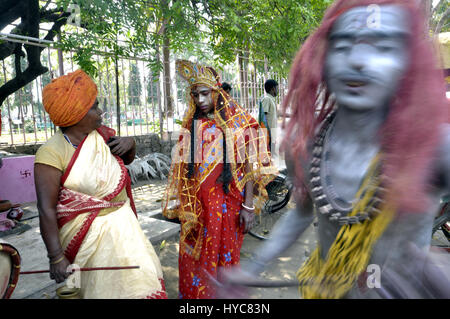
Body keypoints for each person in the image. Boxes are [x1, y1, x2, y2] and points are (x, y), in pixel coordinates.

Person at [220, 0, 450, 299]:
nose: (357, 60)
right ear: (323, 61)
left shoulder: (433, 145)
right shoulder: (305, 143)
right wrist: (254, 268)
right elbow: (302, 213)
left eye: (381, 47)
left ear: (407, 61)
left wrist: (439, 272)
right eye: (342, 46)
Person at [34, 69, 167, 299]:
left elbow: (127, 160)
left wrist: (131, 143)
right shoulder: (51, 153)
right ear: (77, 114)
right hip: (83, 242)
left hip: (126, 233)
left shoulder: (103, 137)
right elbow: (46, 208)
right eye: (94, 106)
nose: (101, 112)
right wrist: (56, 256)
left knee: (140, 286)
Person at [162, 60, 277, 299]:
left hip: (229, 207)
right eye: (195, 95)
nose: (200, 100)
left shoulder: (239, 124)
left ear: (217, 92)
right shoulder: (192, 125)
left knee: (224, 261)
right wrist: (186, 207)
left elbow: (249, 170)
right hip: (198, 209)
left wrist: (247, 206)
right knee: (193, 260)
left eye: (205, 93)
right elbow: (184, 173)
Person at [258, 79, 278, 155]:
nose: (277, 90)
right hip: (268, 134)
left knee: (272, 155)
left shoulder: (271, 100)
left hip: (272, 134)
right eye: (277, 88)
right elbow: (262, 116)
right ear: (273, 89)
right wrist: (265, 134)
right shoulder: (267, 99)